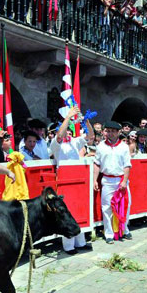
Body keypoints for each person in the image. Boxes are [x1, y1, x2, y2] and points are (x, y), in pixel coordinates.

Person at [50, 106, 94, 254]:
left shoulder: (75, 142)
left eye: (69, 130)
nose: (67, 132)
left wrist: (85, 121)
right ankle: (68, 245)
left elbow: (90, 137)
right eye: (65, 129)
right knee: (67, 212)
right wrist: (68, 117)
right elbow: (59, 136)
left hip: (78, 177)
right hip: (64, 178)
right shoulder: (55, 144)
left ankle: (80, 242)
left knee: (79, 210)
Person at [93, 121, 132, 244]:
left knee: (126, 205)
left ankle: (125, 230)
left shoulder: (124, 147)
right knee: (107, 207)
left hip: (121, 179)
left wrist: (124, 181)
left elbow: (127, 165)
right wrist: (95, 179)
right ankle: (109, 233)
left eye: (113, 131)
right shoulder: (100, 146)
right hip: (107, 180)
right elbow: (97, 164)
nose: (110, 133)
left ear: (118, 132)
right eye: (108, 131)